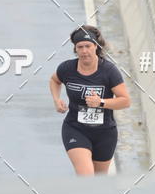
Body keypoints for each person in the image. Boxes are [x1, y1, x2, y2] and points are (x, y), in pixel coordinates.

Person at [50, 25, 131, 176]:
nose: (84, 51)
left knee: (99, 182)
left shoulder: (109, 71)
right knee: (86, 175)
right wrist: (56, 99)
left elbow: (125, 101)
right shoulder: (67, 68)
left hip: (104, 132)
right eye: (80, 47)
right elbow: (54, 80)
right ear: (75, 49)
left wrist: (101, 102)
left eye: (88, 46)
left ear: (96, 46)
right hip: (75, 128)